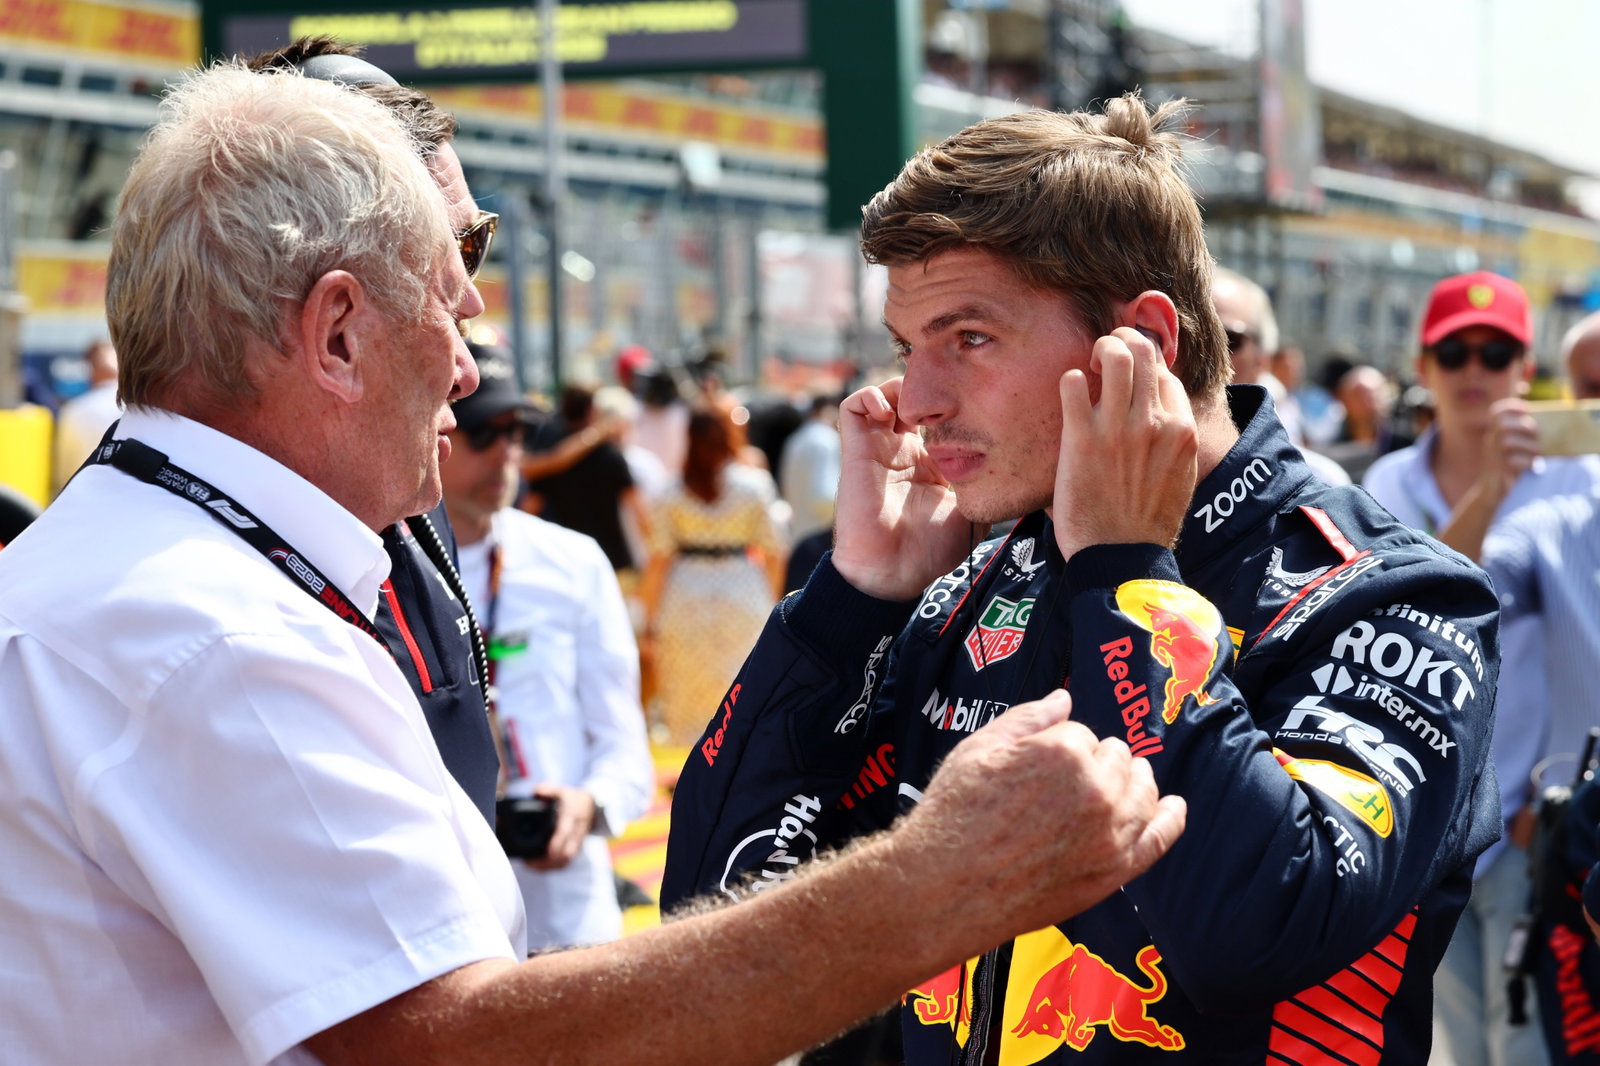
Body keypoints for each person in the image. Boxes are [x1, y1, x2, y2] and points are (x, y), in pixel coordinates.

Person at [0, 60, 1187, 1066]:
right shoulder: (213, 633)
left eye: (968, 338)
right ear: (340, 332)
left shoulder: (151, 569)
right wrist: (938, 882)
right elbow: (457, 1041)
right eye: (450, 314)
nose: (469, 371)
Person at [664, 95, 1502, 1065]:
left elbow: (1253, 922)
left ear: (1139, 344)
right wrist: (856, 601)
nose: (917, 401)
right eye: (908, 348)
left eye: (967, 337)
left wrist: (1127, 577)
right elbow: (716, 918)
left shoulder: (1389, 597)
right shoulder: (976, 587)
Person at [245, 37, 501, 824]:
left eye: (475, 244)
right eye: (448, 254)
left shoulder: (397, 485)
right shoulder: (202, 607)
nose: (468, 365)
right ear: (338, 327)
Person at [1363, 271, 1593, 1066]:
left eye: (1494, 353)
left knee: (1531, 1042)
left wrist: (1563, 797)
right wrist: (1491, 490)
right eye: (1452, 351)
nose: (1473, 370)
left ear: (1525, 369)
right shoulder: (1384, 486)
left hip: (1535, 818)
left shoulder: (1578, 483)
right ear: (1422, 367)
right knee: (1456, 1042)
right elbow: (1407, 614)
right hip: (1424, 822)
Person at [442, 342, 654, 950]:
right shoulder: (380, 566)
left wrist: (587, 804)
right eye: (486, 432)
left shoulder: (572, 561)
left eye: (519, 432)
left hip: (566, 915)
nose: (507, 451)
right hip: (451, 915)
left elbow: (623, 746)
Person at [1472, 310, 1600, 1064]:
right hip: (1573, 850)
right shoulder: (1553, 512)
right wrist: (1490, 488)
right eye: (1590, 391)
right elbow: (1463, 592)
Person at [641, 405, 785, 747]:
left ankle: (689, 773)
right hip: (743, 588)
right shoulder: (754, 485)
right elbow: (775, 551)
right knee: (740, 683)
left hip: (685, 591)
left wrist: (647, 619)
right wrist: (774, 603)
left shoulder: (671, 490)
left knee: (686, 684)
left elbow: (658, 559)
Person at [1211, 267, 1351, 485]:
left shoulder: (1316, 485)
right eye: (1182, 334)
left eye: (1226, 340)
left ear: (1262, 360)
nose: (1197, 356)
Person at [523, 382, 645, 574]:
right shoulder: (610, 454)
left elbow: (531, 506)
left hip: (564, 563)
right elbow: (638, 508)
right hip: (613, 563)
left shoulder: (549, 456)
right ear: (591, 410)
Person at [50, 337, 121, 495]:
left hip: (82, 500)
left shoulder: (74, 410)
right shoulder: (139, 407)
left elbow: (63, 472)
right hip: (129, 502)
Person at [779, 392, 842, 543]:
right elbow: (825, 495)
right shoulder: (827, 439)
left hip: (798, 535)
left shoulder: (796, 438)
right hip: (821, 538)